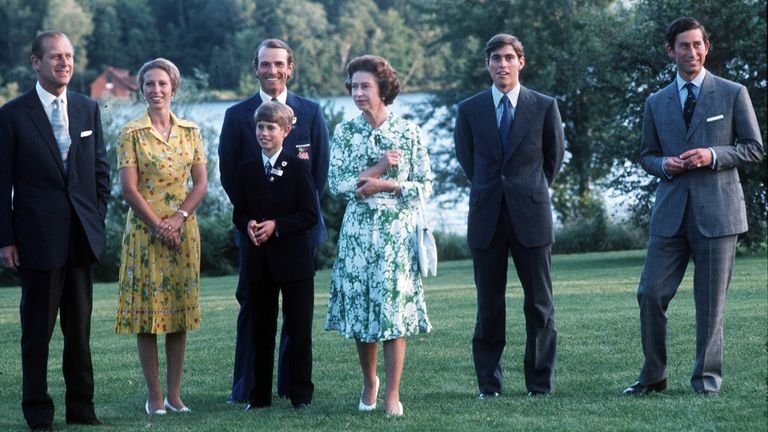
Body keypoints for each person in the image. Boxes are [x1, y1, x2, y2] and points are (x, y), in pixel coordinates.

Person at [623, 17, 763, 396]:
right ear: (671, 51)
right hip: (670, 215)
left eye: (698, 44)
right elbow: (647, 155)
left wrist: (713, 155)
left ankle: (706, 380)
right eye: (683, 46)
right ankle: (653, 376)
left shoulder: (733, 93)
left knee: (710, 304)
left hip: (718, 214)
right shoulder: (656, 101)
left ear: (707, 47)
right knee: (649, 293)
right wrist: (663, 165)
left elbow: (754, 147)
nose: (692, 52)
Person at [0, 31, 109, 430]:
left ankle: (82, 409)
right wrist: (6, 238)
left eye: (69, 56)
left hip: (80, 239)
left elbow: (99, 172)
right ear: (36, 62)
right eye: (55, 57)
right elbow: (2, 183)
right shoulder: (12, 115)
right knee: (37, 335)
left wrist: (95, 218)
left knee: (79, 333)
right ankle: (38, 412)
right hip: (36, 241)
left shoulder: (87, 109)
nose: (64, 63)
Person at [218, 38, 330, 403]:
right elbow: (230, 178)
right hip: (254, 239)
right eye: (265, 64)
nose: (272, 71)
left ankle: (292, 389)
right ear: (256, 68)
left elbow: (318, 177)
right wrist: (251, 221)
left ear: (290, 68)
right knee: (256, 317)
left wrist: (282, 223)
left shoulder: (311, 113)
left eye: (279, 64)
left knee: (298, 322)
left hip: (297, 238)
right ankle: (249, 389)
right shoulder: (236, 115)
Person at [454, 33, 564, 398]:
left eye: (508, 58)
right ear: (487, 64)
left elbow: (552, 160)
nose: (502, 64)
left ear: (521, 62)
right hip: (487, 219)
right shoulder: (469, 110)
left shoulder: (544, 106)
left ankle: (539, 384)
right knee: (489, 305)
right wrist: (495, 190)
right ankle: (489, 384)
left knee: (540, 305)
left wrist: (526, 190)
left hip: (531, 218)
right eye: (495, 58)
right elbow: (469, 161)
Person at [324, 55, 432, 417]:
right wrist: (379, 168)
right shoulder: (344, 132)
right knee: (361, 311)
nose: (357, 93)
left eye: (365, 86)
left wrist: (389, 184)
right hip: (357, 234)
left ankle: (393, 393)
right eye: (353, 86)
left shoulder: (409, 132)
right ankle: (370, 381)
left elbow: (425, 186)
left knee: (393, 313)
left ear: (383, 89)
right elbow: (336, 184)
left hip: (395, 235)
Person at [114, 58, 207, 414]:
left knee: (178, 315)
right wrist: (158, 225)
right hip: (145, 233)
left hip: (183, 233)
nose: (156, 90)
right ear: (141, 89)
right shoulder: (131, 133)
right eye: (149, 84)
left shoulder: (191, 131)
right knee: (149, 316)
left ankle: (175, 394)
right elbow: (129, 189)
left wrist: (179, 219)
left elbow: (200, 184)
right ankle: (154, 397)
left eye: (162, 84)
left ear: (174, 88)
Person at [233, 101, 318, 410]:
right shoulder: (246, 169)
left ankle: (300, 395)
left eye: (271, 128)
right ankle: (259, 397)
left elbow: (309, 215)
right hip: (259, 262)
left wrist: (277, 226)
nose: (264, 133)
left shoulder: (298, 168)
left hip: (294, 263)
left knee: (298, 330)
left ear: (286, 131)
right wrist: (249, 225)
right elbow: (239, 214)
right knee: (261, 329)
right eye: (260, 127)